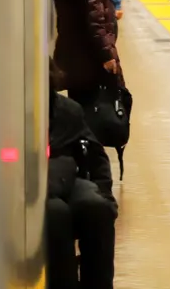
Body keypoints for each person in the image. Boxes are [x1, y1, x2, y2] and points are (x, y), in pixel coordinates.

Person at [47, 64, 118, 289]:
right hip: (32, 188)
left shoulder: (68, 110)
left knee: (97, 208)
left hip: (67, 180)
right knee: (56, 215)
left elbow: (97, 156)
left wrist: (105, 193)